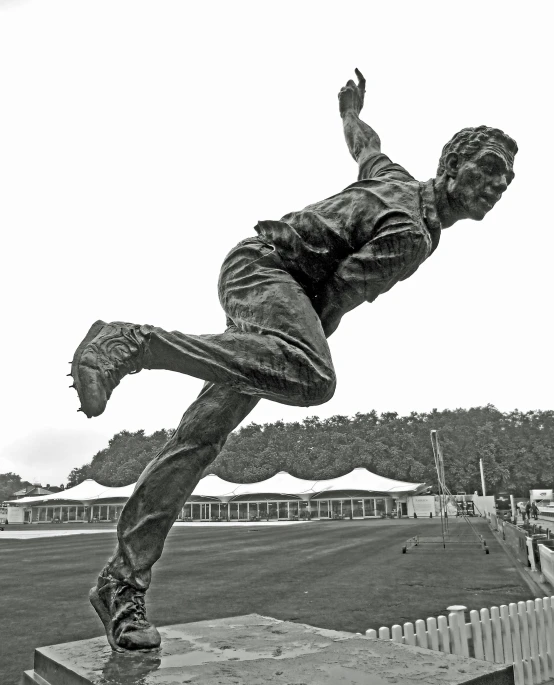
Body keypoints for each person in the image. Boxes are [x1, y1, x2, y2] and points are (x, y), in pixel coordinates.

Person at [71, 70, 517, 651]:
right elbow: (332, 301)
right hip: (270, 277)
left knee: (197, 443)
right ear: (453, 165)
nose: (500, 182)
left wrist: (349, 115)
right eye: (489, 168)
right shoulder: (410, 232)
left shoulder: (395, 178)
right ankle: (137, 343)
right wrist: (289, 354)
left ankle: (120, 584)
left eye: (508, 176)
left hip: (269, 289)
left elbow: (368, 148)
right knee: (312, 377)